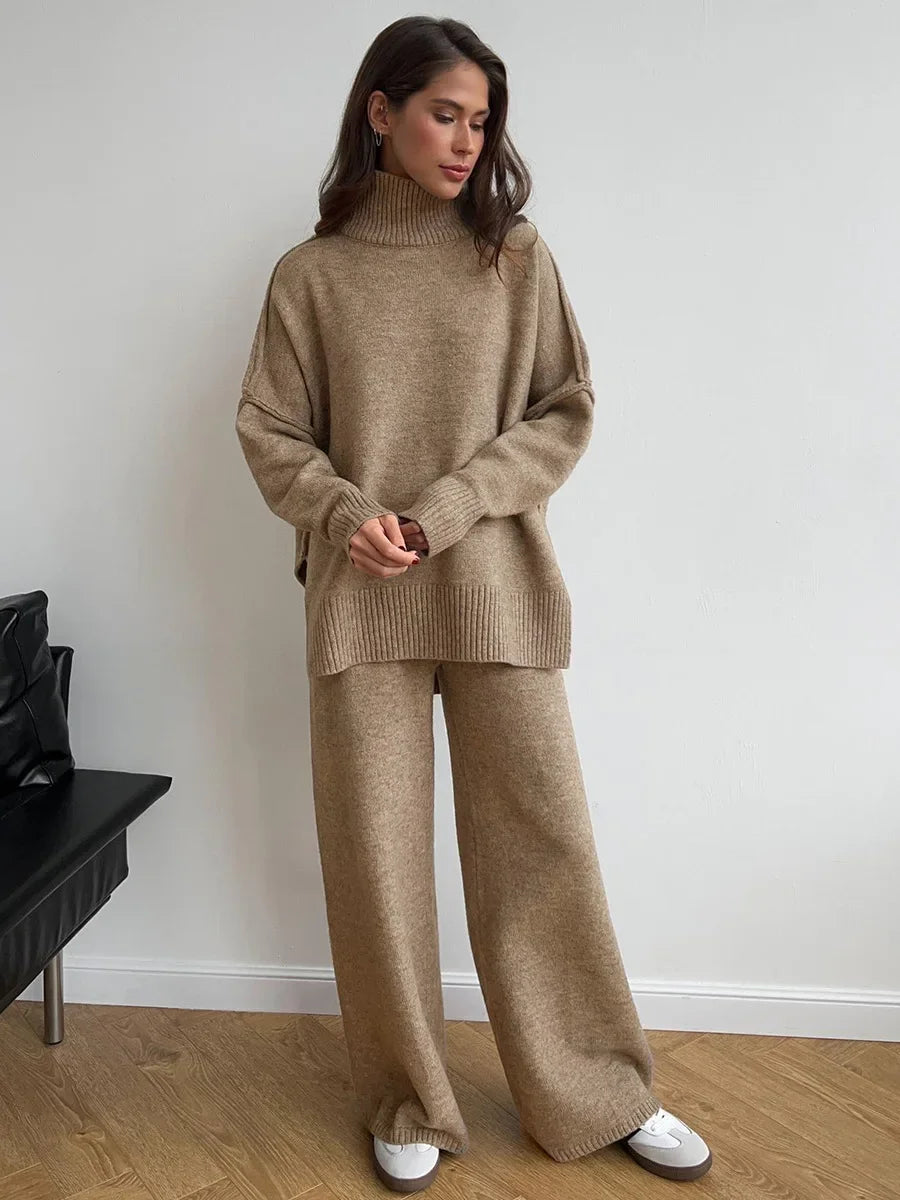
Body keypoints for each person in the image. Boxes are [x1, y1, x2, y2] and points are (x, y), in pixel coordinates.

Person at [235, 15, 712, 1193]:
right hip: (361, 602)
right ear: (380, 112)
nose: (467, 140)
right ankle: (408, 1097)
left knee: (541, 844)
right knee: (377, 863)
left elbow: (565, 409)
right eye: (446, 113)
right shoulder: (312, 275)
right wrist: (350, 515)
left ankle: (601, 1087)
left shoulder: (516, 257)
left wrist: (443, 510)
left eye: (482, 119)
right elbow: (267, 430)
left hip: (494, 588)